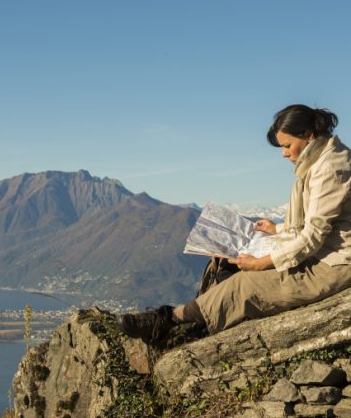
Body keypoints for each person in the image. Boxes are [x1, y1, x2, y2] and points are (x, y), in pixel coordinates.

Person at [117, 104, 351, 342]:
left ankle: (168, 320)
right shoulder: (320, 161)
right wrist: (277, 229)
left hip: (334, 265)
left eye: (287, 146)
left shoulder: (330, 168)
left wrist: (262, 263)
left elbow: (313, 235)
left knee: (245, 283)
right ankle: (201, 320)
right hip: (322, 253)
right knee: (225, 261)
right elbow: (320, 221)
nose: (284, 153)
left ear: (308, 135)